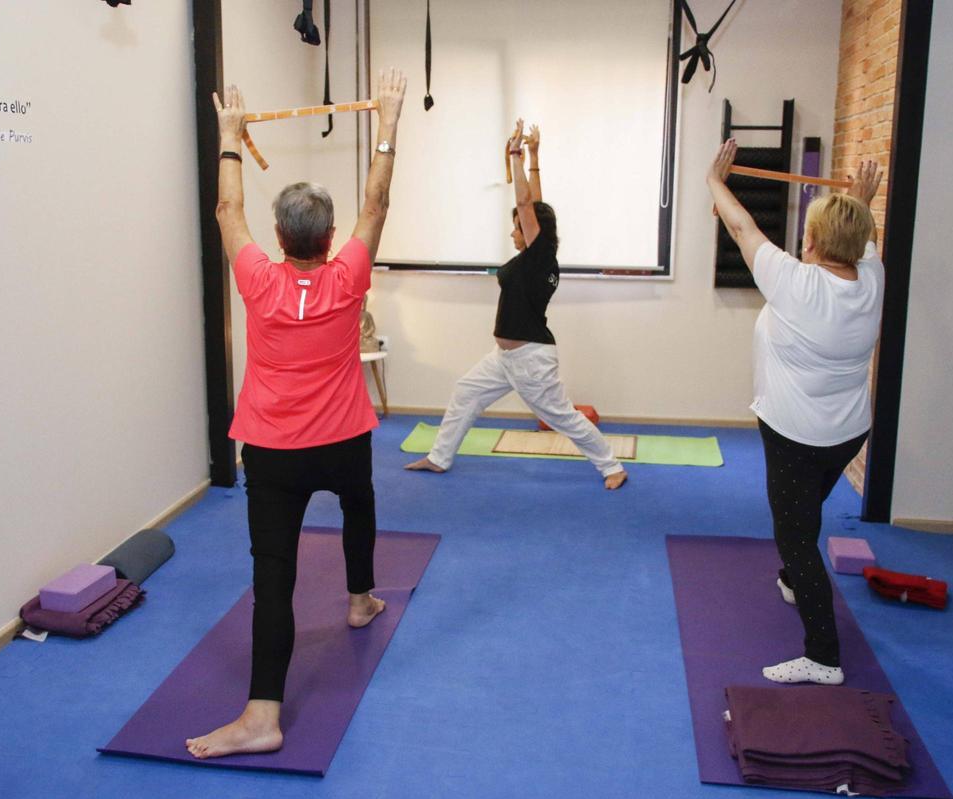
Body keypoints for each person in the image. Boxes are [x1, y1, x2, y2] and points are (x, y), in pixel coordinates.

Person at [186, 69, 407, 758]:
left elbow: (227, 215)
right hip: (342, 439)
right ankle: (359, 597)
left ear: (279, 237)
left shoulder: (256, 278)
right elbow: (378, 199)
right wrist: (390, 121)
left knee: (272, 575)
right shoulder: (349, 277)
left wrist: (229, 140)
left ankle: (261, 717)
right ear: (331, 235)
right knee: (360, 503)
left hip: (273, 453)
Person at [707, 139, 884, 686]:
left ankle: (824, 658)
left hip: (794, 436)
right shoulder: (872, 279)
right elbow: (863, 239)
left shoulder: (797, 285)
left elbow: (742, 229)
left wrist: (716, 181)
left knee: (797, 536)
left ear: (810, 242)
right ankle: (792, 578)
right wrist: (859, 202)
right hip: (848, 435)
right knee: (805, 514)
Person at [405, 120, 628, 490]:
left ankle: (611, 467)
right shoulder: (539, 255)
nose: (512, 231)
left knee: (563, 418)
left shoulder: (540, 257)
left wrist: (514, 156)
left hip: (531, 361)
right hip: (504, 358)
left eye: (516, 227)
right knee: (466, 391)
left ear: (531, 231)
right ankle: (439, 457)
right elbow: (535, 206)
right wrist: (535, 156)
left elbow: (527, 204)